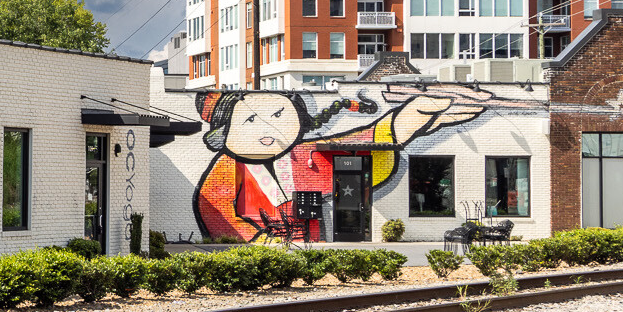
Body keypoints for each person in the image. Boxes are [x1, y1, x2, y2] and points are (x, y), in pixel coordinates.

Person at [192, 89, 481, 242]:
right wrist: (257, 241)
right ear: (223, 133)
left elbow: (359, 139)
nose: (270, 127)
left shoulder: (299, 154)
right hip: (269, 238)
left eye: (282, 113)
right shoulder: (225, 171)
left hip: (304, 234)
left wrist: (406, 120)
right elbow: (214, 209)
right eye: (251, 120)